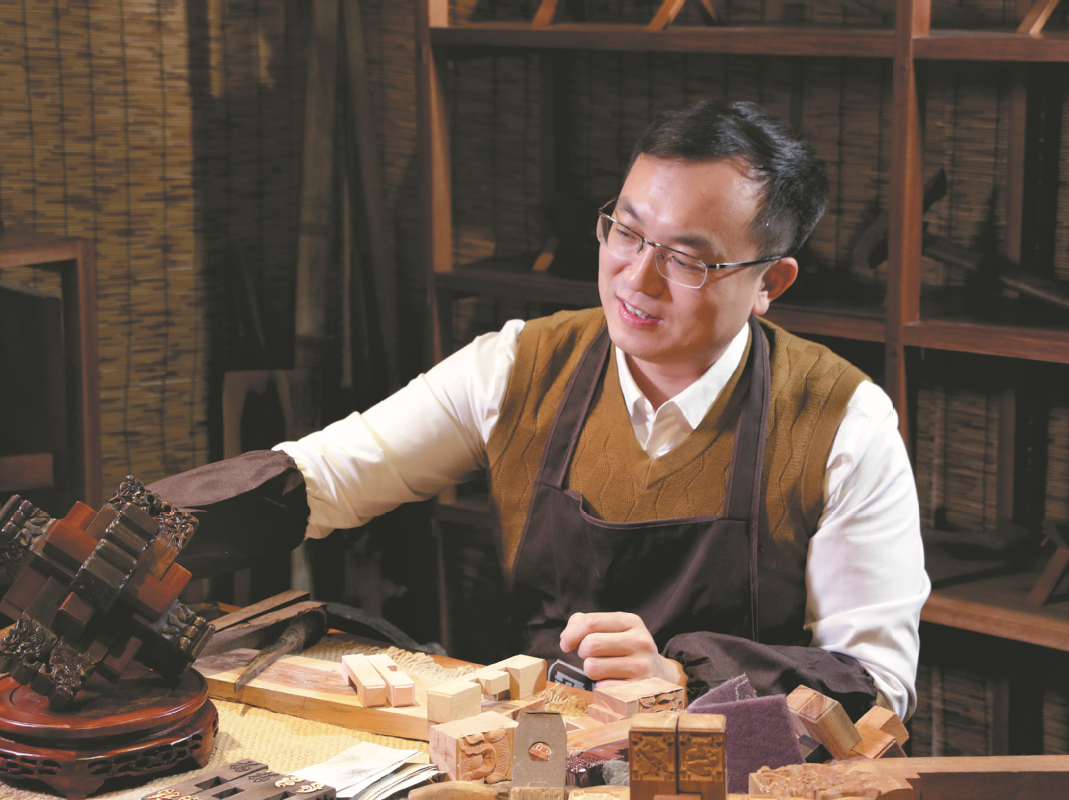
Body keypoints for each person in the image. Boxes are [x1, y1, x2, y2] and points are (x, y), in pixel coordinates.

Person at [153, 100, 929, 722]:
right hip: (534, 751)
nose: (638, 277)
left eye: (687, 258)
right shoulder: (520, 367)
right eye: (626, 231)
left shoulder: (843, 424)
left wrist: (682, 679)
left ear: (771, 282)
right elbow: (323, 478)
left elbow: (876, 685)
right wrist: (136, 534)